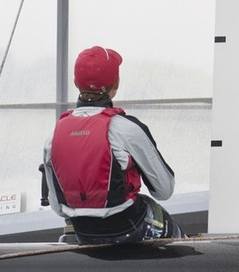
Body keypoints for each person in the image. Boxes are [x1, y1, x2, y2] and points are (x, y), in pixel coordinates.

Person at [42, 46, 183, 244]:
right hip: (129, 227)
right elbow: (164, 190)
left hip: (84, 233)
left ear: (75, 83)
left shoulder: (54, 136)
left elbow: (58, 208)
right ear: (115, 85)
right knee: (164, 220)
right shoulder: (126, 129)